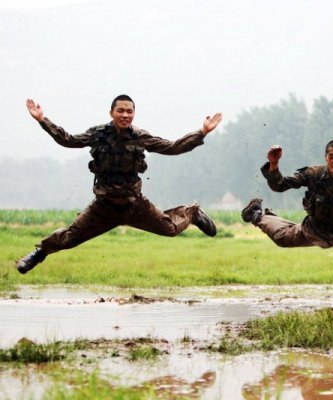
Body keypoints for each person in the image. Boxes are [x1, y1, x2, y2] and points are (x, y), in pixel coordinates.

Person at [16, 95, 223, 274]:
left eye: (129, 111)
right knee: (69, 238)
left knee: (169, 228)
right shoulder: (97, 134)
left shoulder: (140, 136)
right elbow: (68, 140)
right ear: (111, 113)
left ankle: (192, 213)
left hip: (135, 206)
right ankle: (39, 253)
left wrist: (202, 132)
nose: (125, 115)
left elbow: (173, 147)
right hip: (103, 208)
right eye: (121, 111)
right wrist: (43, 120)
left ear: (134, 114)